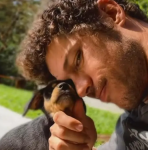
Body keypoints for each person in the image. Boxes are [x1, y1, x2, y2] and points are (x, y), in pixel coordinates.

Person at [16, 0, 148, 149]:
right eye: (70, 81)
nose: (80, 91)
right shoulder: (132, 120)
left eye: (78, 59)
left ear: (111, 14)